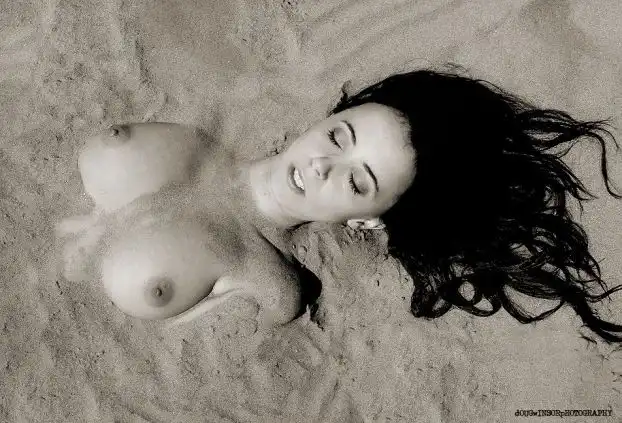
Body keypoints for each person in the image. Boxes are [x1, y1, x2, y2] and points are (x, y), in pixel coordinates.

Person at [62, 67, 622, 342]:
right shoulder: (201, 139)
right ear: (328, 118)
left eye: (357, 182)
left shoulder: (270, 280)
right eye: (338, 136)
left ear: (365, 220)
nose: (323, 166)